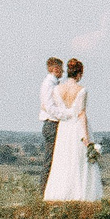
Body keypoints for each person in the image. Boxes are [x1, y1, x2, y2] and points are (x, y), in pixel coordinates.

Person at [41, 57, 104, 201]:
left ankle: (61, 194)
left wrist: (65, 116)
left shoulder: (57, 89)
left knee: (63, 160)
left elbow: (49, 107)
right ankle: (79, 194)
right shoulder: (82, 90)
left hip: (63, 127)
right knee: (79, 160)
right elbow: (82, 114)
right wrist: (86, 138)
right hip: (76, 126)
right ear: (80, 74)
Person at [37, 57, 69, 187]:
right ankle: (43, 191)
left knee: (56, 159)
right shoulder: (48, 84)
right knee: (50, 159)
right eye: (61, 69)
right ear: (55, 69)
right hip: (51, 123)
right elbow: (49, 106)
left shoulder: (54, 83)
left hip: (54, 123)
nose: (63, 72)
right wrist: (64, 116)